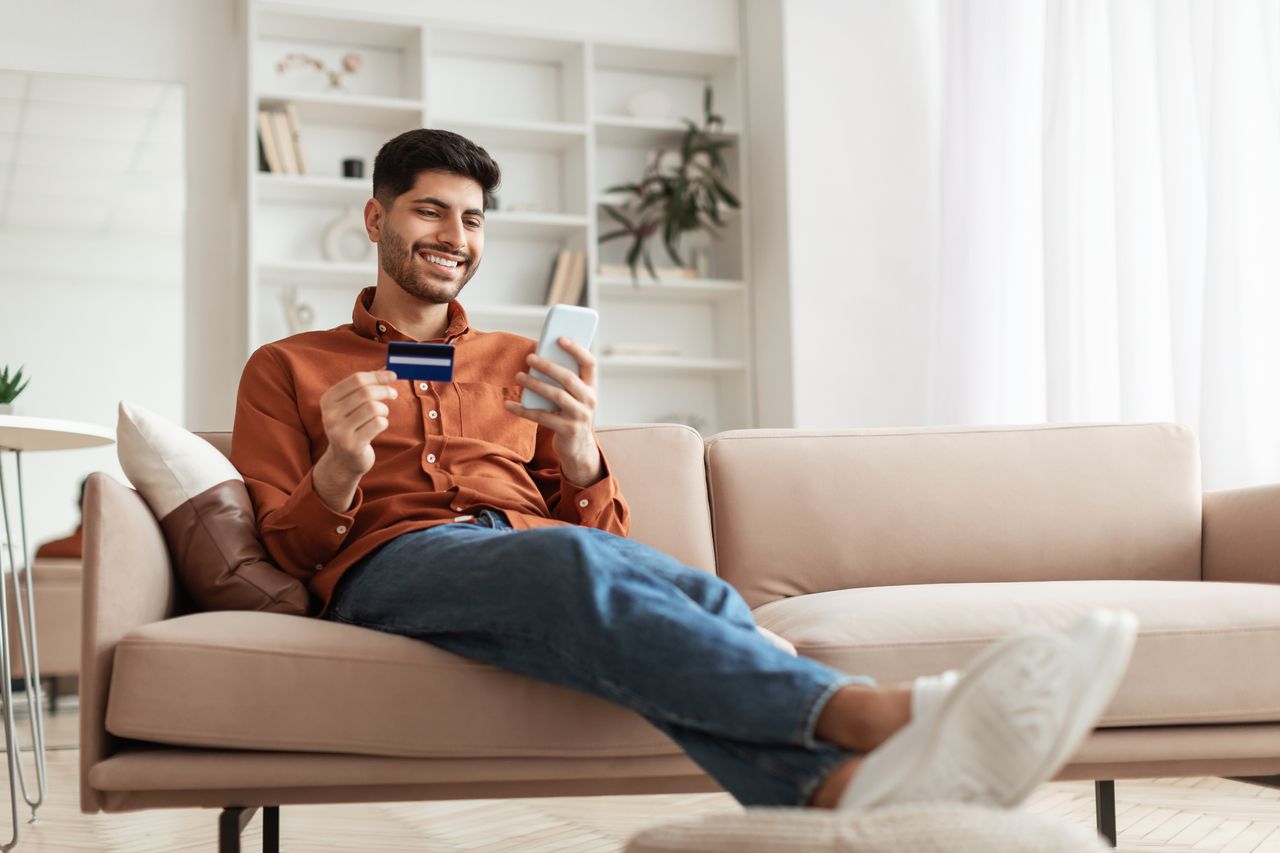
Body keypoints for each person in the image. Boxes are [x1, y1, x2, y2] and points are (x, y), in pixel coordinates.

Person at [231, 128, 1138, 810]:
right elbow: (286, 550)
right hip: (393, 561)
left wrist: (583, 452)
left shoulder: (521, 359)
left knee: (705, 598)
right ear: (376, 216)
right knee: (575, 568)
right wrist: (341, 469)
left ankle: (835, 790)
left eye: (472, 218)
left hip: (529, 551)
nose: (454, 235)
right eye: (430, 209)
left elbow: (603, 540)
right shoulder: (287, 365)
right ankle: (867, 712)